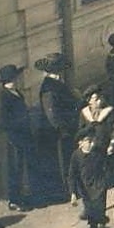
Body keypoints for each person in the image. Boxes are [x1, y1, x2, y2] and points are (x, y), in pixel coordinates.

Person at [36, 52, 79, 199]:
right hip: (59, 132)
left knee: (66, 158)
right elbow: (51, 112)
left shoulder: (55, 83)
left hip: (63, 129)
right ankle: (68, 190)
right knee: (64, 160)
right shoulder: (49, 88)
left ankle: (71, 187)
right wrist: (63, 129)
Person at [68, 127, 110, 228]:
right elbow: (72, 176)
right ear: (80, 143)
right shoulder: (76, 156)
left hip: (99, 189)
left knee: (92, 220)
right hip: (85, 192)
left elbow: (106, 166)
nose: (92, 143)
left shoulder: (98, 152)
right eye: (88, 141)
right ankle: (101, 219)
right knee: (95, 215)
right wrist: (73, 194)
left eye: (93, 140)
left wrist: (103, 182)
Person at [0, 64, 35, 211]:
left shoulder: (16, 92)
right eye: (13, 78)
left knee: (22, 167)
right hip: (12, 139)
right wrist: (20, 122)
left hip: (22, 135)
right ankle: (14, 200)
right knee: (14, 169)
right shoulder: (3, 96)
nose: (16, 80)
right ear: (7, 80)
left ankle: (22, 196)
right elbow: (2, 121)